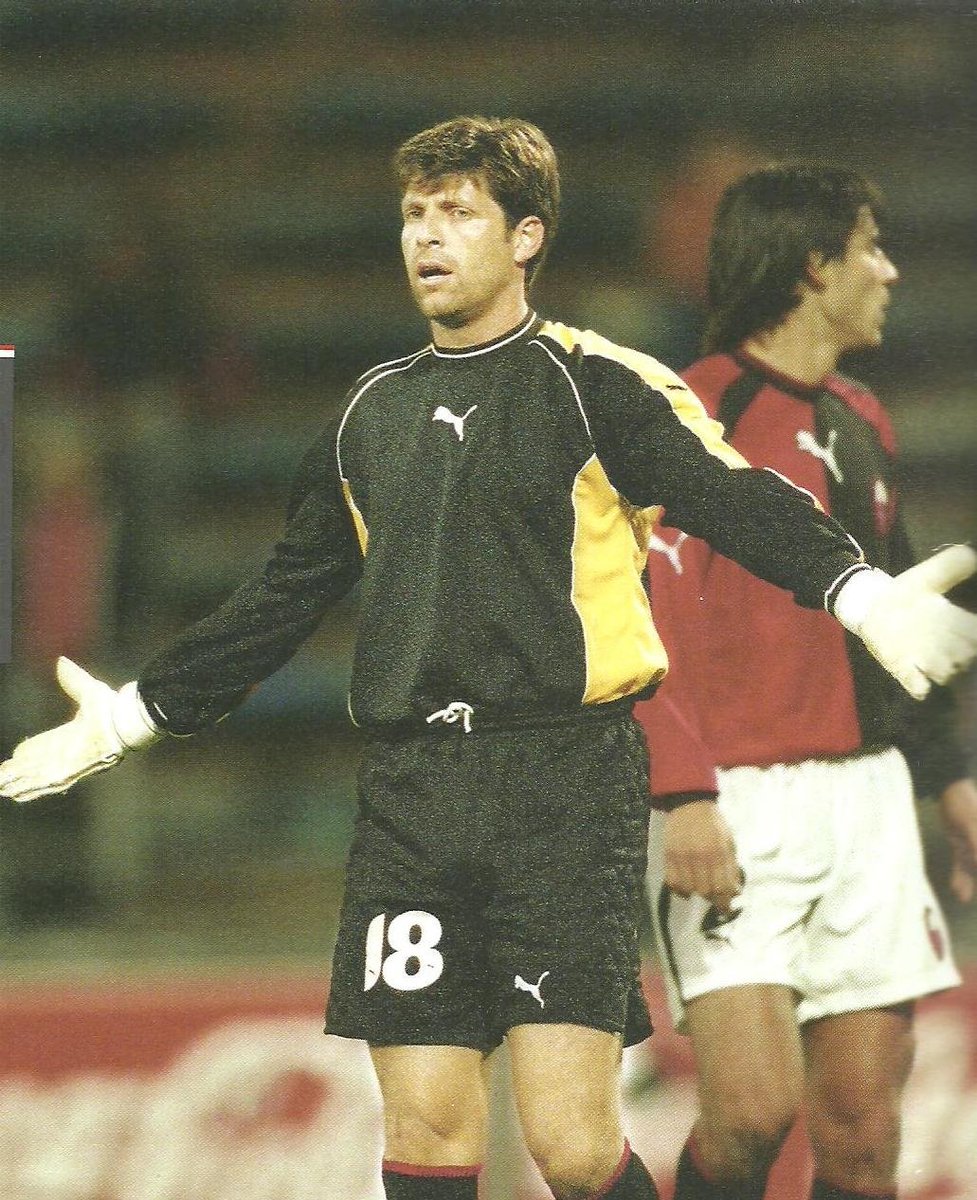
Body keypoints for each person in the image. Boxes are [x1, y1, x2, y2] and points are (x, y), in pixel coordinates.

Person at [1, 121, 975, 1200]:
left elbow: (728, 495)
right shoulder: (369, 412)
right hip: (413, 797)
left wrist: (855, 592)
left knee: (571, 1146)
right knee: (425, 1127)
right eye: (414, 214)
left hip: (564, 783)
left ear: (524, 237)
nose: (427, 235)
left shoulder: (594, 383)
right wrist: (130, 716)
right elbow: (281, 598)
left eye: (457, 212)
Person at [637, 163, 977, 1200]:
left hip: (867, 799)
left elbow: (902, 624)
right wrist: (682, 794)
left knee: (864, 1137)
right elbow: (630, 620)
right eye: (869, 247)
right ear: (812, 265)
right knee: (749, 1115)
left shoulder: (860, 416)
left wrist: (949, 781)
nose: (888, 271)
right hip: (733, 804)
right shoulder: (684, 413)